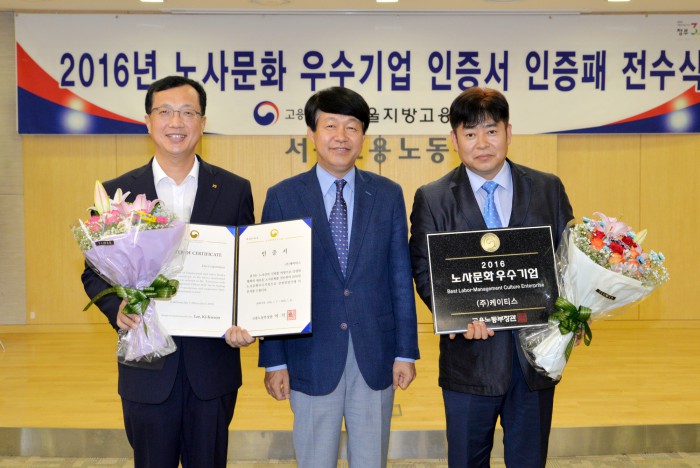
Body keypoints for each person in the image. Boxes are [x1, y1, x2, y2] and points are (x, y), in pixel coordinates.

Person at [81, 75, 256, 468]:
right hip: (147, 368)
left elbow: (246, 269)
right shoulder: (117, 193)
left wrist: (247, 318)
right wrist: (116, 307)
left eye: (187, 113)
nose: (176, 122)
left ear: (203, 122)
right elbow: (93, 273)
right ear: (148, 121)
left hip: (212, 366)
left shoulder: (233, 189)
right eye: (165, 112)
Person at [409, 87, 574, 468]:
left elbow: (568, 260)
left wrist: (572, 313)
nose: (481, 143)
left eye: (491, 131)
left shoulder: (547, 187)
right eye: (470, 133)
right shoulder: (433, 197)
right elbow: (423, 269)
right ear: (454, 140)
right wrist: (456, 313)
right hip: (469, 362)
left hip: (535, 362)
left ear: (508, 133)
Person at [259, 86, 420, 468]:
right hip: (310, 354)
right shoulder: (282, 197)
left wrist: (405, 351)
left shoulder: (388, 194)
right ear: (311, 134)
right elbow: (269, 286)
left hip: (375, 353)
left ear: (364, 137)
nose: (341, 136)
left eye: (352, 127)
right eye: (330, 126)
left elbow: (400, 277)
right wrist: (274, 361)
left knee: (371, 460)